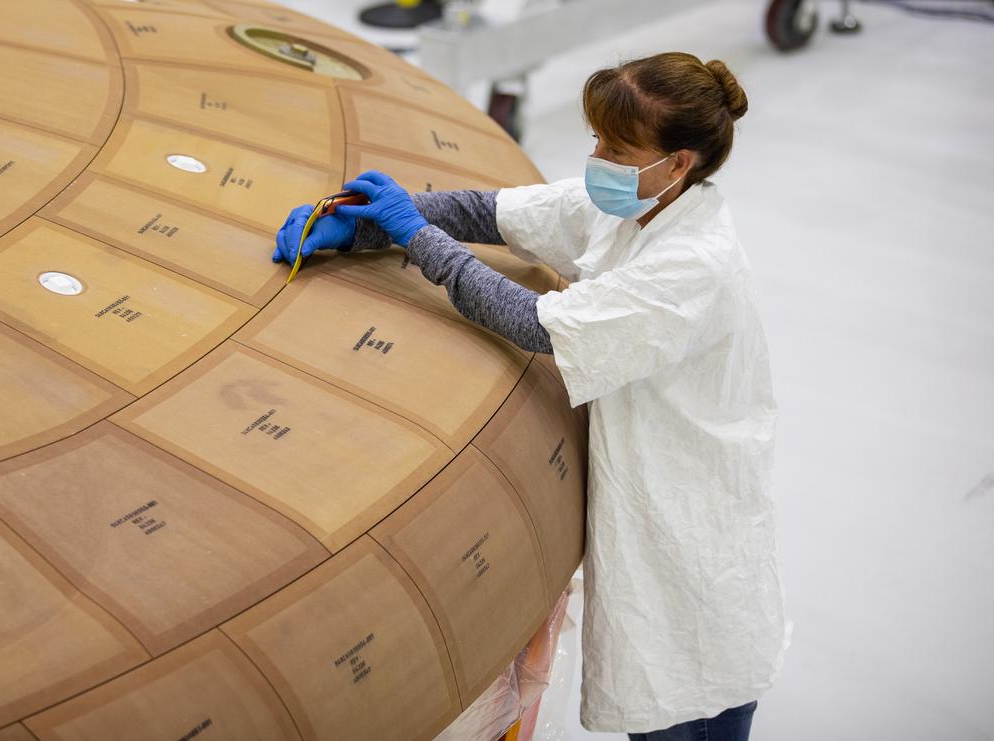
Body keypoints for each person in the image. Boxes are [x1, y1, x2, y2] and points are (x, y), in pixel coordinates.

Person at [271, 52, 790, 740]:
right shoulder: (638, 203)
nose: (597, 158)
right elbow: (492, 213)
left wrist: (414, 238)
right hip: (657, 505)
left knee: (690, 705)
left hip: (690, 537)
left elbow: (533, 323)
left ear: (679, 164)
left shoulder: (692, 262)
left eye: (616, 148)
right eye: (597, 139)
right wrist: (367, 222)